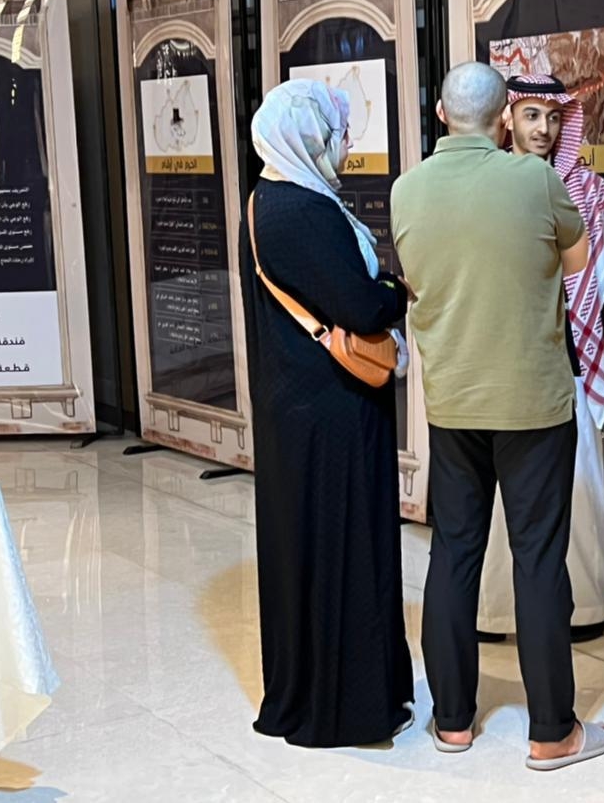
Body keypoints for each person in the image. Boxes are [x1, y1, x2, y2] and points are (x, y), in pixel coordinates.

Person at [391, 62, 604, 770]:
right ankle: (552, 732)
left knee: (453, 553)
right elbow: (578, 262)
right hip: (533, 404)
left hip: (453, 403)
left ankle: (453, 722)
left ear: (439, 114)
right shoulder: (534, 181)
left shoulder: (406, 189)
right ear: (502, 121)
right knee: (538, 560)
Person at [239, 78, 414, 748]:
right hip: (333, 412)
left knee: (301, 549)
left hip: (291, 405)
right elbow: (362, 306)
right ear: (308, 138)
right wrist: (395, 289)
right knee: (346, 547)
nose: (343, 147)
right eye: (336, 135)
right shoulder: (306, 211)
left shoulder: (264, 199)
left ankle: (303, 691)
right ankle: (348, 706)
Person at [477, 74, 604, 644]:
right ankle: (496, 613)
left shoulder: (584, 189)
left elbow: (600, 262)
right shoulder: (488, 185)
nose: (543, 128)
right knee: (499, 492)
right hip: (505, 357)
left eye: (553, 117)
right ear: (508, 120)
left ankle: (583, 608)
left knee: (578, 482)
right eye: (531, 116)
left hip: (567, 360)